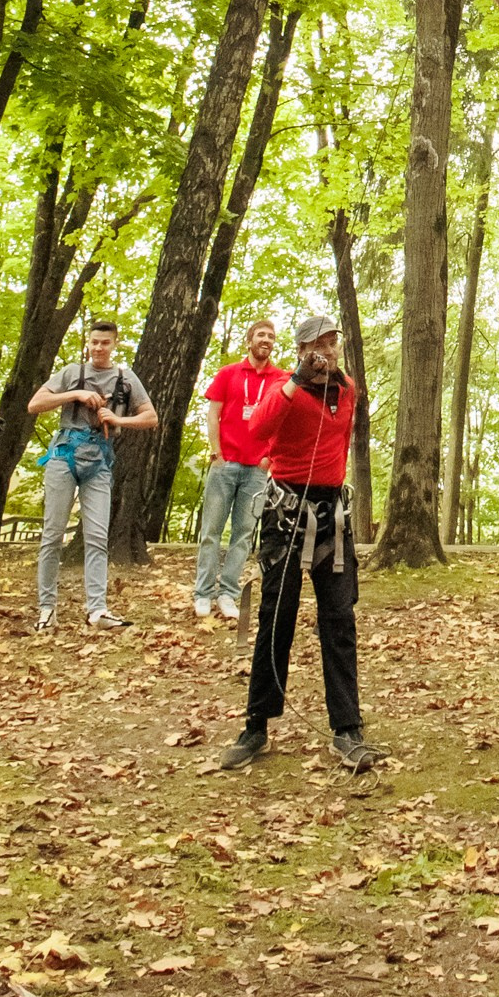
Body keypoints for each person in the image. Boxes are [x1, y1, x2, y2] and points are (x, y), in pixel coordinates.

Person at [218, 310, 382, 776]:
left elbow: (340, 438)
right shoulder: (283, 390)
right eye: (317, 345)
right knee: (277, 615)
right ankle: (256, 725)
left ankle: (347, 729)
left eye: (332, 343)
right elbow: (257, 430)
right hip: (285, 514)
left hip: (332, 514)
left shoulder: (347, 390)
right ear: (302, 351)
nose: (326, 352)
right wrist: (295, 380)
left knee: (339, 617)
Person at [28, 320, 157, 635]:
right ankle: (47, 609)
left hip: (100, 462)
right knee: (52, 534)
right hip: (63, 457)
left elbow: (151, 417)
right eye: (94, 342)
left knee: (98, 537)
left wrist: (119, 419)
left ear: (115, 344)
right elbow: (35, 404)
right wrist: (75, 394)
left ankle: (97, 609)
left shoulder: (126, 379)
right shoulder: (72, 372)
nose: (99, 348)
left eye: (105, 343)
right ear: (88, 342)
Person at [194, 318, 285, 623]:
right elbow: (213, 413)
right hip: (225, 464)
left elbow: (283, 422)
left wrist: (269, 458)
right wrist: (215, 451)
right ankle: (203, 593)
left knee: (244, 535)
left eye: (271, 337)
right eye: (261, 334)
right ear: (249, 341)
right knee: (211, 532)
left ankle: (228, 594)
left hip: (256, 469)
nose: (266, 340)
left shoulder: (279, 379)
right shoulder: (229, 373)